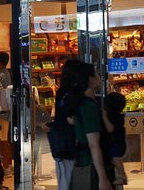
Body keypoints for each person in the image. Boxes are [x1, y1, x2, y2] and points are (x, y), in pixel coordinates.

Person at [67, 63, 113, 190]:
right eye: (97, 74)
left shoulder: (81, 103)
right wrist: (103, 178)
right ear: (90, 80)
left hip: (83, 163)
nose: (100, 77)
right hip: (91, 167)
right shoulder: (89, 108)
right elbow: (94, 144)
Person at [49, 59, 82, 190]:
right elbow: (71, 119)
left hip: (61, 143)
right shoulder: (73, 96)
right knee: (72, 179)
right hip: (71, 144)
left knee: (64, 180)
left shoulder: (62, 93)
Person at [101, 92, 128, 186]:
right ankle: (121, 176)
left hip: (115, 144)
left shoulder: (113, 117)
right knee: (115, 158)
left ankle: (122, 176)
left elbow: (110, 128)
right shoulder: (119, 116)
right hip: (119, 143)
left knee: (115, 158)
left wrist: (104, 117)